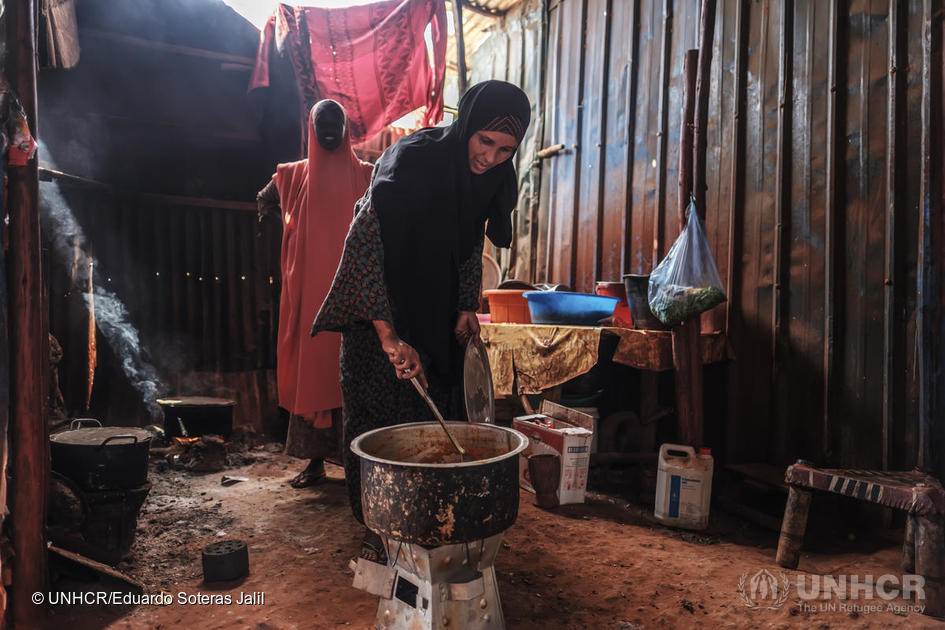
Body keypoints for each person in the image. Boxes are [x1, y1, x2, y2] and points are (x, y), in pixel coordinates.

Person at [311, 80, 531, 562]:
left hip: (436, 318)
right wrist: (390, 338)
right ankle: (376, 526)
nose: (491, 158)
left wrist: (466, 305)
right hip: (381, 314)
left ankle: (427, 521)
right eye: (485, 141)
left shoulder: (488, 179)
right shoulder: (413, 163)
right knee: (379, 425)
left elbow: (472, 244)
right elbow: (364, 245)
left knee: (434, 421)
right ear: (467, 127)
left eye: (506, 150)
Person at [258, 100, 373, 487]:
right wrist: (292, 232)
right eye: (321, 123)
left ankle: (358, 466)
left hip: (353, 297)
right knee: (314, 373)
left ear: (346, 127)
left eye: (334, 123)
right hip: (310, 295)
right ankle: (314, 462)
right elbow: (264, 200)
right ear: (310, 128)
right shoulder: (292, 177)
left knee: (353, 375)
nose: (328, 130)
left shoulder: (369, 176)